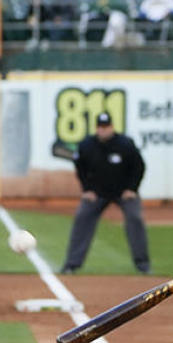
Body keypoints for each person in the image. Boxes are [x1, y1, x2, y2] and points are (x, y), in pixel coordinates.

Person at [60, 112, 150, 275]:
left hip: (123, 191)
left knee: (135, 217)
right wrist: (87, 189)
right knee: (82, 217)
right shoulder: (87, 145)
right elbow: (80, 168)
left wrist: (132, 189)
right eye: (100, 127)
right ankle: (71, 264)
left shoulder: (125, 144)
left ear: (112, 127)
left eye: (106, 127)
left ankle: (143, 265)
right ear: (96, 128)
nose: (103, 130)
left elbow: (139, 167)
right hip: (97, 192)